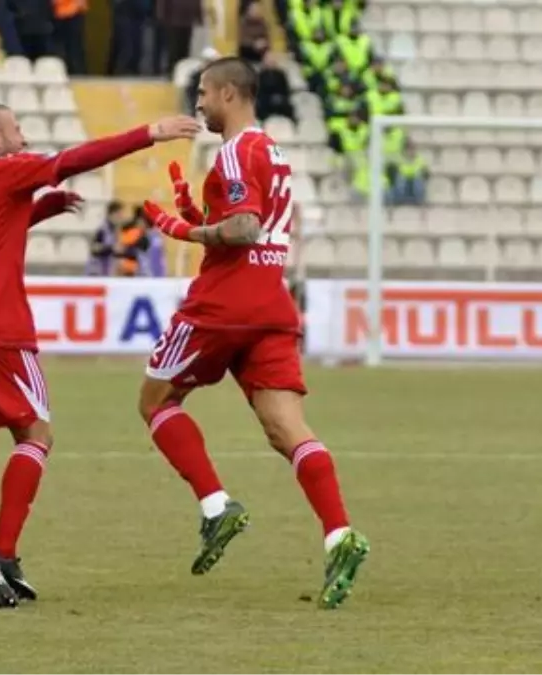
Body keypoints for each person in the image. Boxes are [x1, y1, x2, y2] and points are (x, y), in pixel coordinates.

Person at [0, 103, 199, 609]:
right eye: (17, 130)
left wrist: (41, 209)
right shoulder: (6, 168)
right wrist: (149, 134)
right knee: (36, 433)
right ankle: (2, 552)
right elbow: (73, 159)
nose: (23, 139)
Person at [138, 57, 369, 610]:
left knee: (155, 401)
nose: (198, 103)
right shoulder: (274, 152)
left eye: (203, 92)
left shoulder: (238, 150)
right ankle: (339, 534)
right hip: (271, 300)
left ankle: (216, 506)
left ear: (228, 93)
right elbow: (250, 220)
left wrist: (185, 229)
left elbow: (244, 226)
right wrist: (205, 213)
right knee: (286, 427)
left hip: (225, 302)